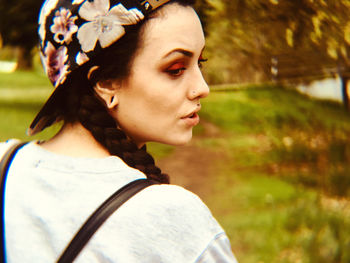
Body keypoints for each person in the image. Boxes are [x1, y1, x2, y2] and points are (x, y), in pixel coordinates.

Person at [0, 0, 238, 262]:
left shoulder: (4, 165)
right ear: (106, 83)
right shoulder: (173, 219)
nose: (202, 88)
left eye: (199, 63)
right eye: (176, 69)